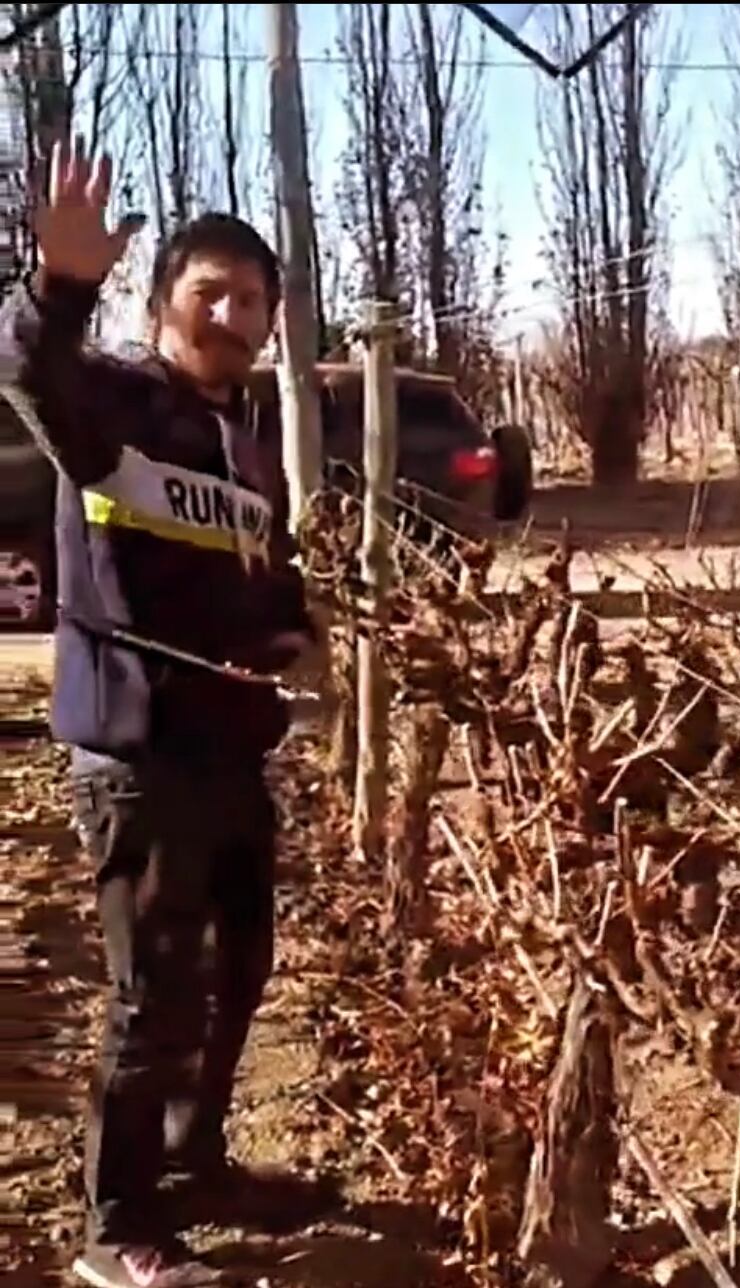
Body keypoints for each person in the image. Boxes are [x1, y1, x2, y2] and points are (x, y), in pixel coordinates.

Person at [0, 139, 316, 1287]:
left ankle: (199, 1162)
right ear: (161, 302)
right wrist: (59, 286)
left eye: (253, 298)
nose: (233, 313)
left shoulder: (248, 444)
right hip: (141, 758)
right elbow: (31, 373)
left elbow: (260, 576)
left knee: (243, 968)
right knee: (155, 994)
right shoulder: (118, 406)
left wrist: (296, 631)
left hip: (232, 752)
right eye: (209, 293)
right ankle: (115, 1225)